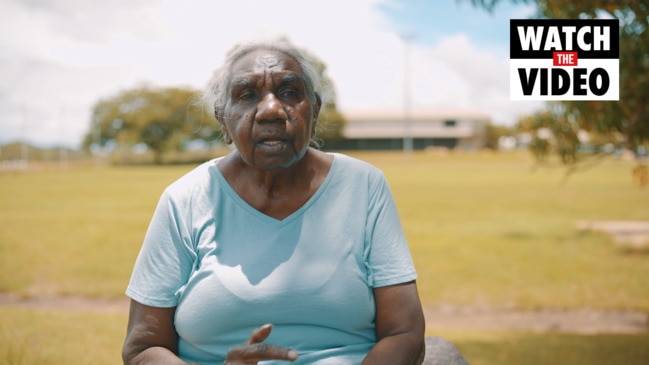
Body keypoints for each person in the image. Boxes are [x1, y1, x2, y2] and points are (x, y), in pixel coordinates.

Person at [122, 39, 447, 365]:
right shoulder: (185, 199)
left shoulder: (363, 186)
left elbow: (404, 332)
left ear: (315, 111)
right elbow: (142, 348)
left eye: (290, 93)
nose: (272, 110)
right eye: (247, 96)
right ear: (223, 120)